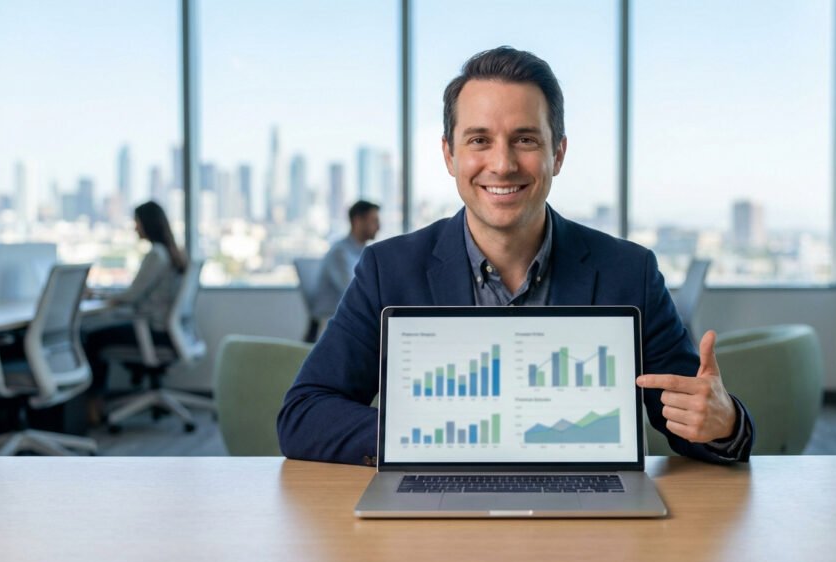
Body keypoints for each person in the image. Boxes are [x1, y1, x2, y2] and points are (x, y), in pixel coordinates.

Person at [278, 46, 754, 466]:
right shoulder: (389, 270)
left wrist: (724, 421)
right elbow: (304, 413)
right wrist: (428, 437)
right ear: (449, 155)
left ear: (557, 154)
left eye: (525, 140)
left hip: (589, 520)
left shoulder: (629, 272)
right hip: (437, 517)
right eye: (479, 140)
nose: (502, 164)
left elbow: (689, 415)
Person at [83, 201, 187, 417]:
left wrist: (97, 295)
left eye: (137, 222)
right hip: (170, 332)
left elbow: (131, 296)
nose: (135, 228)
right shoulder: (172, 254)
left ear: (147, 223)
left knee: (92, 339)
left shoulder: (156, 255)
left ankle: (94, 406)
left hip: (153, 332)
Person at [307, 200, 380, 341]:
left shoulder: (363, 253)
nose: (378, 227)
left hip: (349, 321)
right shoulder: (340, 253)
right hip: (329, 324)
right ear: (358, 221)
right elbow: (354, 292)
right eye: (374, 221)